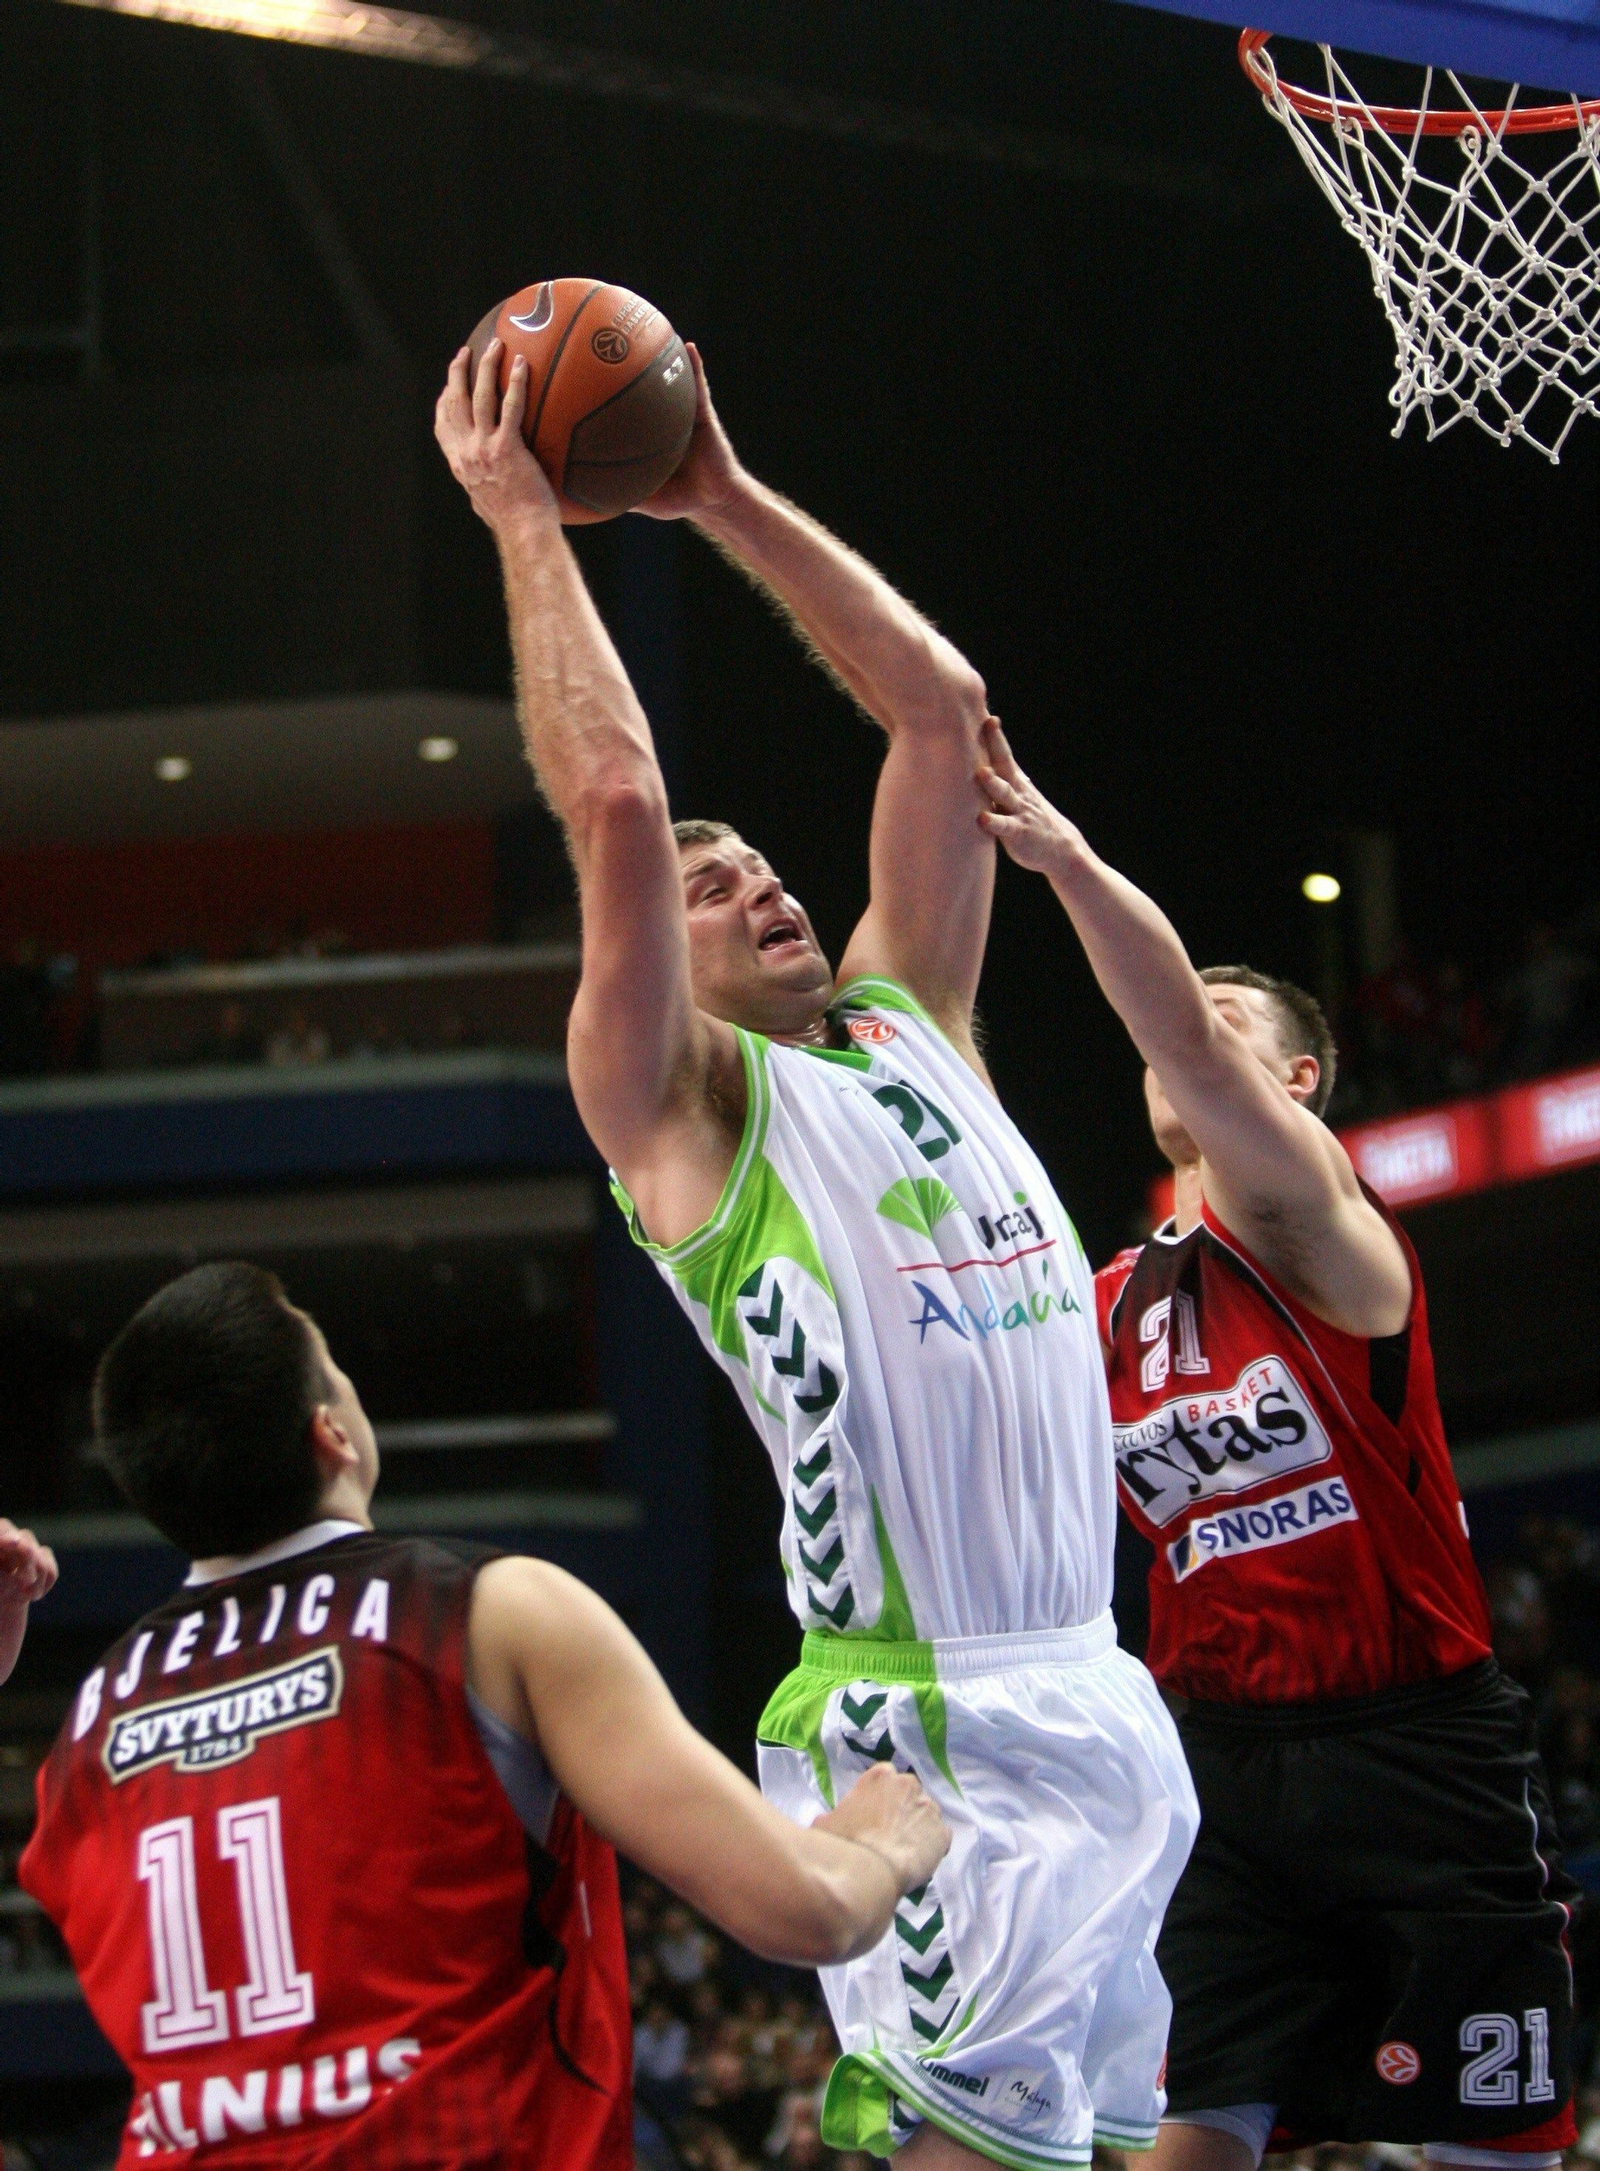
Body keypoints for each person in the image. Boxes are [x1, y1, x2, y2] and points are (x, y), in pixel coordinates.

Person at [435, 333, 1196, 2171]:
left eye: (763, 864)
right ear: (649, 966)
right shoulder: (679, 1113)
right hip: (935, 1724)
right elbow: (614, 802)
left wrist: (717, 495)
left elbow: (942, 716)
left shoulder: (912, 1022)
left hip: (1105, 1686)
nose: (758, 881)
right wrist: (528, 520)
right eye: (713, 890)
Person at [972, 724, 1577, 2171]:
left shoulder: (1325, 1228)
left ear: (1300, 1083)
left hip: (1411, 1743)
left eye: (1225, 1020)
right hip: (1217, 1759)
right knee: (1197, 2127)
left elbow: (1177, 1033)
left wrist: (1060, 858)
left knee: (1491, 2147)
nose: (1181, 1032)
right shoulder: (1105, 1304)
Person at [21, 1262, 947, 2169]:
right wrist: (882, 1847)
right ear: (332, 1433)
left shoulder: (93, 1722)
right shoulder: (489, 1614)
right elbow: (814, 1911)